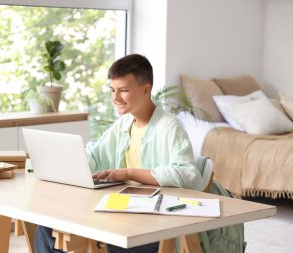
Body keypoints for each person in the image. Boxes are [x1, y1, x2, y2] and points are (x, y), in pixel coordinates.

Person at [35, 54, 204, 253]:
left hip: (154, 225)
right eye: (112, 90)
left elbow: (188, 175)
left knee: (104, 242)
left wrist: (130, 173)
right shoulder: (123, 124)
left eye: (123, 90)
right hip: (123, 210)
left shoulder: (169, 126)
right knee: (47, 226)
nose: (115, 98)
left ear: (145, 90)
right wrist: (64, 163)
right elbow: (95, 155)